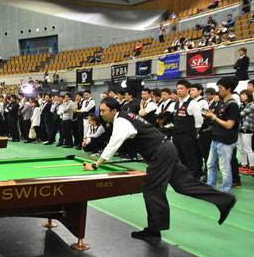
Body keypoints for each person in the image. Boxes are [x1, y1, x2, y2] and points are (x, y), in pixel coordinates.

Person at [83, 97, 236, 239]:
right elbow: (145, 132)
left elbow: (113, 145)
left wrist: (96, 164)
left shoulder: (122, 121)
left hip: (161, 153)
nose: (101, 114)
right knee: (183, 185)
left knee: (152, 189)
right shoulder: (127, 116)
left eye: (103, 111)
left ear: (113, 110)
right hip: (165, 148)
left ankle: (154, 230)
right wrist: (147, 153)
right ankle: (225, 200)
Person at [203, 77, 240, 192]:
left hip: (226, 140)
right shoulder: (221, 103)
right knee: (210, 165)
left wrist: (214, 117)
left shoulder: (232, 105)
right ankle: (210, 186)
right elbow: (217, 119)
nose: (218, 91)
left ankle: (225, 190)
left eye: (221, 88)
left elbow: (229, 125)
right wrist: (210, 115)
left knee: (224, 167)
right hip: (215, 137)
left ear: (229, 89)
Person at [173, 80, 204, 179]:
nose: (179, 91)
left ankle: (195, 176)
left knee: (190, 155)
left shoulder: (192, 103)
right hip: (177, 134)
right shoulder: (177, 102)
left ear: (188, 90)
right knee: (180, 155)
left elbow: (199, 120)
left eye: (181, 88)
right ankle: (184, 174)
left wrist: (195, 132)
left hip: (188, 135)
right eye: (178, 89)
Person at [237, 90, 254, 174]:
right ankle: (243, 165)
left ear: (249, 95)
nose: (241, 96)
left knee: (248, 149)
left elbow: (241, 114)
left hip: (248, 129)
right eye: (241, 95)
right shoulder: (241, 105)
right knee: (241, 149)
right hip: (240, 129)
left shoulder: (252, 105)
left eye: (243, 94)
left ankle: (252, 167)